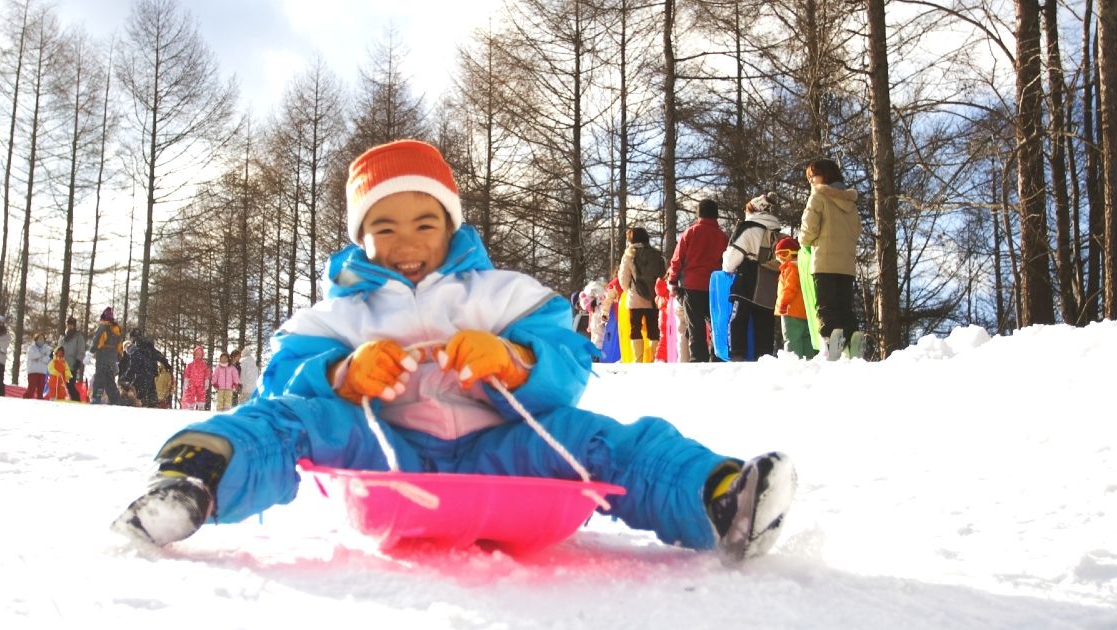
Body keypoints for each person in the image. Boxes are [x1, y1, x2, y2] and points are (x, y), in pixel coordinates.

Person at [112, 139, 796, 564]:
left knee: (598, 438)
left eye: (422, 221)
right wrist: (343, 373)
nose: (404, 240)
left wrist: (511, 361)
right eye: (383, 226)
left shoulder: (499, 293)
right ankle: (193, 478)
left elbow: (567, 355)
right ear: (360, 237)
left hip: (497, 449)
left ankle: (717, 497)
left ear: (450, 225)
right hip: (383, 447)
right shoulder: (344, 308)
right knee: (286, 421)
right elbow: (282, 377)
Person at [799, 158, 862, 360]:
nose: (811, 181)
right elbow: (857, 231)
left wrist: (804, 242)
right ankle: (853, 339)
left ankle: (830, 341)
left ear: (824, 175)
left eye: (812, 176)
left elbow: (809, 229)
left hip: (823, 261)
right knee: (844, 306)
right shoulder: (850, 201)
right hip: (846, 264)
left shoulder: (818, 197)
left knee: (825, 305)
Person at [667, 199, 729, 363]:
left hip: (692, 286)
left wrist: (673, 281)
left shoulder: (690, 232)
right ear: (716, 214)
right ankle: (717, 357)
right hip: (715, 287)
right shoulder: (723, 237)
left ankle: (697, 360)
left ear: (699, 213)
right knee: (716, 324)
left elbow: (677, 259)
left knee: (695, 326)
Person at [723, 193, 781, 362]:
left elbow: (730, 261)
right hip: (770, 283)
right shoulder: (777, 233)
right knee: (764, 325)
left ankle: (737, 357)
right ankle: (764, 359)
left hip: (747, 281)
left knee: (737, 321)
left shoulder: (748, 229)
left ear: (753, 210)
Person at [617, 227, 665, 363]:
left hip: (635, 298)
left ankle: (638, 359)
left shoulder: (629, 255)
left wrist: (628, 290)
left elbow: (623, 278)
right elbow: (663, 274)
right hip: (654, 299)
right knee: (653, 330)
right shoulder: (656, 254)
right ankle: (653, 358)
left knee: (635, 328)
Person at [774, 237, 816, 359]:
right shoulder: (805, 268)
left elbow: (789, 287)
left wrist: (783, 303)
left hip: (790, 310)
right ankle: (810, 361)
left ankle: (793, 362)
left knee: (791, 339)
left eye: (784, 254)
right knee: (806, 337)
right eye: (778, 255)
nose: (781, 259)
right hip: (805, 311)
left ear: (794, 253)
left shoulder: (790, 267)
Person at [121, 329, 171, 408]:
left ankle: (145, 409)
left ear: (133, 337)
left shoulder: (136, 348)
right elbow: (158, 355)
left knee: (141, 396)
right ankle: (153, 406)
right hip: (151, 372)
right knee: (152, 394)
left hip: (142, 374)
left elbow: (134, 365)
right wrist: (166, 363)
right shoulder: (149, 346)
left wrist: (126, 377)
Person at [90, 307, 123, 404]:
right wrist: (118, 357)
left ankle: (96, 398)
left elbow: (97, 340)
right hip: (112, 358)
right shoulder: (117, 329)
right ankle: (115, 400)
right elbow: (120, 345)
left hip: (103, 356)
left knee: (99, 377)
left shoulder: (103, 327)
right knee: (110, 380)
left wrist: (91, 351)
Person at [58, 316, 87, 402]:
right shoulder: (63, 336)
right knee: (62, 384)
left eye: (72, 325)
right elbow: (59, 347)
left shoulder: (78, 336)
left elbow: (81, 350)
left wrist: (78, 361)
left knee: (70, 385)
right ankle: (62, 399)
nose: (70, 326)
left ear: (74, 326)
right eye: (68, 324)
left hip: (72, 364)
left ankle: (76, 399)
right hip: (61, 364)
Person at [181, 346, 211, 411]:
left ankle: (201, 406)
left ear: (202, 355)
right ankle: (190, 406)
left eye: (200, 354)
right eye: (197, 354)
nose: (198, 356)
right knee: (190, 394)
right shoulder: (190, 365)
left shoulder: (204, 365)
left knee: (201, 395)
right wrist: (186, 381)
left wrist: (206, 380)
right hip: (192, 383)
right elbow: (187, 374)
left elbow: (207, 374)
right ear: (194, 355)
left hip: (201, 384)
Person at [23, 333, 52, 400]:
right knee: (31, 389)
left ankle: (40, 401)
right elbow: (31, 356)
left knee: (41, 390)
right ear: (36, 339)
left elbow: (47, 359)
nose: (41, 340)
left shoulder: (47, 349)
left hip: (42, 372)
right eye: (39, 338)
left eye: (42, 338)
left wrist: (39, 357)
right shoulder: (31, 348)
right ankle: (26, 399)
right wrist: (41, 355)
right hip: (33, 371)